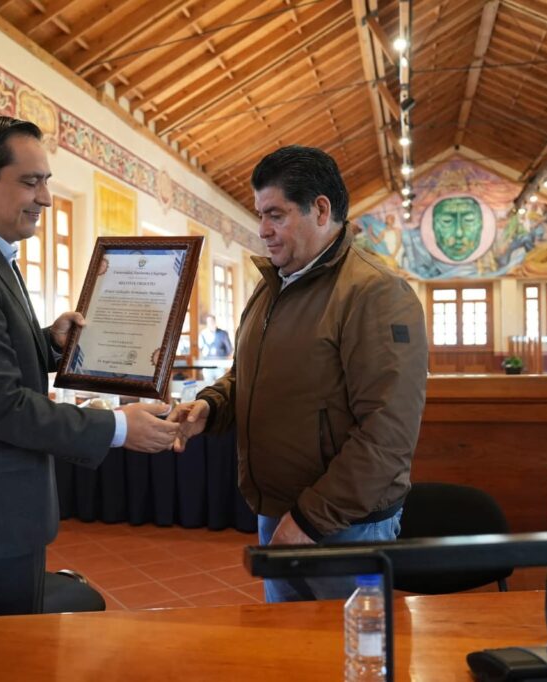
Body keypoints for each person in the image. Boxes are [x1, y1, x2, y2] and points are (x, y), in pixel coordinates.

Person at [0, 116, 180, 617]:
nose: (46, 199)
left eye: (48, 182)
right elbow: (0, 406)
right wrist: (118, 428)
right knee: (3, 660)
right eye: (31, 182)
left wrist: (50, 344)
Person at [171, 145, 428, 602]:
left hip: (345, 525)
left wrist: (309, 520)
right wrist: (210, 407)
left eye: (275, 214)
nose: (262, 230)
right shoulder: (274, 285)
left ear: (321, 209)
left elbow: (387, 435)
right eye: (260, 214)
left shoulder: (375, 293)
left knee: (348, 661)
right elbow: (246, 374)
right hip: (282, 511)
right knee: (288, 657)